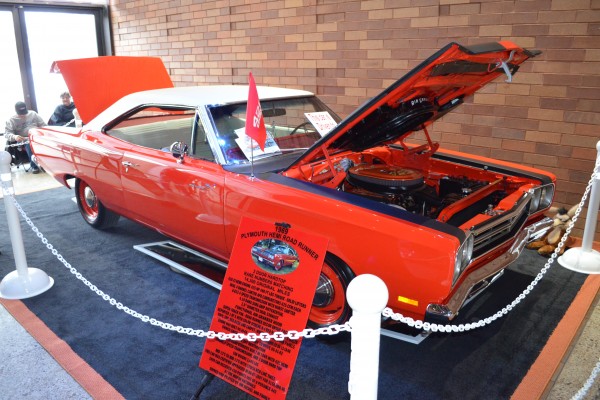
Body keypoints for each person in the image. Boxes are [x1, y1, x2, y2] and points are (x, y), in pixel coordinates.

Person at [5, 101, 46, 174]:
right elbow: (7, 134)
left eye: (24, 113)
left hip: (37, 135)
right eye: (21, 114)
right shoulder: (12, 120)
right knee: (30, 144)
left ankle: (48, 164)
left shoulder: (33, 114)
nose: (23, 115)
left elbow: (43, 125)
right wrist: (15, 136)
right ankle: (35, 166)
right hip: (24, 139)